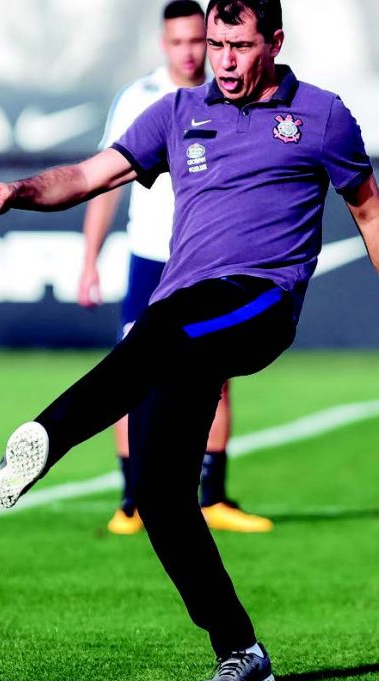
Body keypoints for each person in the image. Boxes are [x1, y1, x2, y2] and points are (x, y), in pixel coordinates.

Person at [0, 1, 378, 681]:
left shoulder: (322, 115)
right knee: (160, 495)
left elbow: (369, 211)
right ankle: (242, 652)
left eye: (239, 46)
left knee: (162, 326)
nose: (223, 60)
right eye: (216, 44)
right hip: (182, 320)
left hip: (261, 301)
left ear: (275, 42)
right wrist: (18, 190)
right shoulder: (178, 111)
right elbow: (88, 176)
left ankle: (49, 434)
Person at [80, 0, 272, 535]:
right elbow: (105, 182)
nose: (190, 53)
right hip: (151, 257)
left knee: (216, 374)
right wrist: (89, 259)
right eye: (179, 42)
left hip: (209, 259)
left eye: (197, 42)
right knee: (130, 373)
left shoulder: (232, 95)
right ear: (163, 44)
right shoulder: (140, 98)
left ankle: (213, 497)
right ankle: (131, 501)